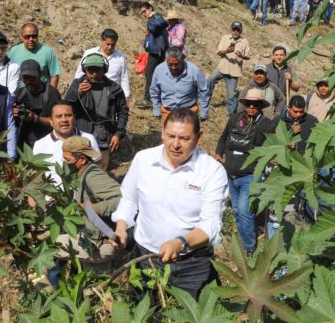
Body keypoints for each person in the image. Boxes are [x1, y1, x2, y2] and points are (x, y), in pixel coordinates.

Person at [110, 108, 228, 299]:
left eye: (184, 138)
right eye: (170, 136)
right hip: (147, 257)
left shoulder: (211, 171)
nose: (175, 144)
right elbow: (130, 198)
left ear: (199, 137)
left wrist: (180, 243)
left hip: (193, 264)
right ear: (162, 132)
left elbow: (211, 223)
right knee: (145, 312)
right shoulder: (144, 160)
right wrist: (122, 226)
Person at [214, 89, 275, 254]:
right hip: (231, 173)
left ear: (261, 106)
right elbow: (223, 137)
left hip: (251, 175)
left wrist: (273, 155)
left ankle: (249, 247)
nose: (252, 106)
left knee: (243, 210)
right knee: (236, 210)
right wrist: (218, 153)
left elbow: (275, 143)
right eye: (249, 103)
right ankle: (249, 233)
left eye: (255, 104)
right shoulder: (235, 119)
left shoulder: (266, 124)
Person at [54, 136, 122, 276]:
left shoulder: (93, 176)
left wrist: (94, 208)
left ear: (82, 159)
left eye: (68, 160)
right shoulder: (81, 174)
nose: (65, 163)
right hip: (91, 238)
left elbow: (122, 198)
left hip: (100, 243)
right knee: (96, 287)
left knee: (51, 246)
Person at [66, 54, 128, 170]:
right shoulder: (77, 84)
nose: (94, 73)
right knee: (79, 169)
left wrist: (118, 134)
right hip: (82, 136)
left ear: (104, 69)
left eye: (97, 70)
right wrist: (77, 93)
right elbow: (66, 107)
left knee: (101, 169)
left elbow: (123, 111)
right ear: (85, 70)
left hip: (105, 137)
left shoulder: (114, 88)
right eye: (90, 70)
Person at [32, 101, 101, 187]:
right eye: (59, 116)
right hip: (53, 198)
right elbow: (36, 177)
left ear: (74, 118)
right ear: (51, 121)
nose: (64, 120)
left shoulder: (88, 139)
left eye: (68, 115)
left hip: (82, 197)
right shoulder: (40, 145)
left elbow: (98, 168)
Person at [150, 47, 210, 124]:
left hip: (189, 113)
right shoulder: (159, 70)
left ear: (182, 59)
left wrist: (204, 112)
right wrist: (156, 110)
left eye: (176, 64)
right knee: (168, 135)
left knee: (187, 136)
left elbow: (204, 91)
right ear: (166, 61)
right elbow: (154, 91)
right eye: (170, 65)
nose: (173, 68)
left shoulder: (194, 71)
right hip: (167, 112)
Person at [74, 29, 130, 104]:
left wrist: (126, 96)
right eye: (108, 44)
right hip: (91, 93)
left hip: (112, 95)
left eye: (113, 45)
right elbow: (79, 74)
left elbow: (124, 78)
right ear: (101, 40)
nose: (110, 47)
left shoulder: (120, 57)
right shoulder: (89, 53)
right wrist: (78, 88)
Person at [14, 59, 61, 148]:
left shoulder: (51, 94)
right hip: (25, 141)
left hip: (48, 141)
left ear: (39, 75)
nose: (28, 81)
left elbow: (58, 122)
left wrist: (35, 118)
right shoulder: (21, 94)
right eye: (25, 78)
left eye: (32, 77)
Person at [209, 21, 251, 115]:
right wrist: (226, 51)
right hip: (221, 68)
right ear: (231, 30)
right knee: (210, 80)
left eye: (238, 30)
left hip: (234, 73)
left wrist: (242, 56)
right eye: (234, 29)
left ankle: (232, 116)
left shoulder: (244, 41)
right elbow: (219, 52)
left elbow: (248, 56)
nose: (235, 31)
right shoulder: (225, 38)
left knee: (231, 97)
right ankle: (206, 100)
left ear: (241, 31)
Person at [136, 2, 169, 109]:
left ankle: (149, 99)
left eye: (144, 11)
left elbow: (160, 25)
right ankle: (156, 99)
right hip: (156, 51)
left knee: (150, 74)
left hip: (156, 52)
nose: (144, 14)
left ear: (150, 8)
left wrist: (150, 26)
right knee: (154, 74)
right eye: (142, 13)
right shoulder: (155, 18)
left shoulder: (155, 17)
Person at [9, 23, 62, 88]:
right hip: (19, 94)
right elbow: (9, 73)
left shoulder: (48, 52)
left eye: (34, 36)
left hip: (41, 94)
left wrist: (50, 94)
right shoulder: (14, 51)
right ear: (21, 37)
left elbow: (54, 76)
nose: (31, 39)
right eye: (27, 37)